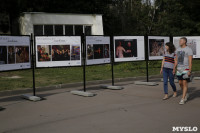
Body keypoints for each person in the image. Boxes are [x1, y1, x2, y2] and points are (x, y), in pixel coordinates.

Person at [175, 37, 193, 105]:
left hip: (186, 68)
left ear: (185, 41)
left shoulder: (189, 49)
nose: (179, 42)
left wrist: (189, 70)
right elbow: (176, 59)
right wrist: (174, 67)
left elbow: (190, 61)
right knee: (180, 83)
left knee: (184, 83)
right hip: (179, 68)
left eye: (181, 40)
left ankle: (183, 98)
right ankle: (186, 94)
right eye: (179, 40)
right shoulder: (178, 49)